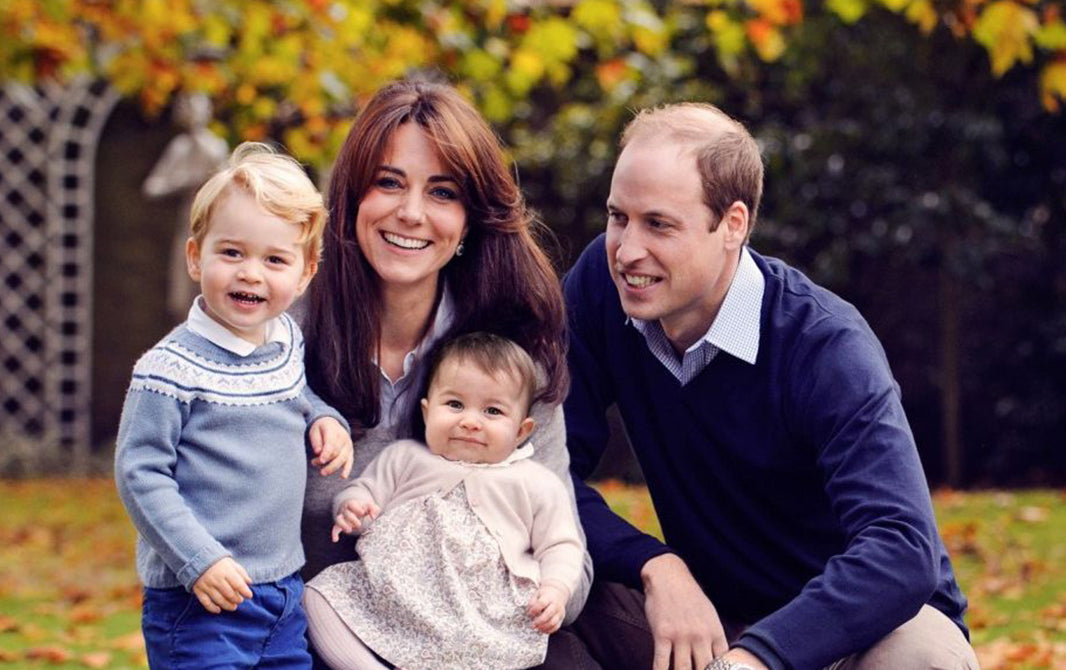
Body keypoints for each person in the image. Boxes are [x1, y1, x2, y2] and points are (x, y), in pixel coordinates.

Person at [561, 103, 980, 670]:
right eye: (617, 217)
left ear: (733, 225)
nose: (627, 250)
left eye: (658, 224)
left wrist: (758, 659)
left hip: (856, 634)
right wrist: (655, 566)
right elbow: (541, 469)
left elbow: (903, 548)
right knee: (531, 601)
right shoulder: (601, 287)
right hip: (709, 617)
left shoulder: (824, 345)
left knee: (923, 661)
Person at [298, 78, 593, 666]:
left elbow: (567, 549)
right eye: (388, 183)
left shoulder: (512, 354)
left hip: (486, 635)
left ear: (470, 219)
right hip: (316, 632)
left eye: (442, 192)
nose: (411, 213)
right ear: (353, 196)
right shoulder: (285, 331)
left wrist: (502, 611)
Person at [115, 142, 355, 669]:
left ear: (306, 272)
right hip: (200, 598)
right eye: (232, 253)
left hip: (282, 593)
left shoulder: (285, 341)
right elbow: (140, 473)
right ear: (196, 256)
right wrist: (198, 561)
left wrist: (324, 419)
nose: (251, 273)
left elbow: (297, 395)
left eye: (274, 260)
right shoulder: (169, 369)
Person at [304, 332, 585, 670]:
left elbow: (561, 545)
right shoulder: (405, 458)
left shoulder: (534, 482)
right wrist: (353, 509)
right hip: (395, 597)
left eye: (492, 411)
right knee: (317, 596)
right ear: (426, 412)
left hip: (484, 611)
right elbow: (366, 493)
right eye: (454, 404)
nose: (469, 421)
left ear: (522, 430)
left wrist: (556, 588)